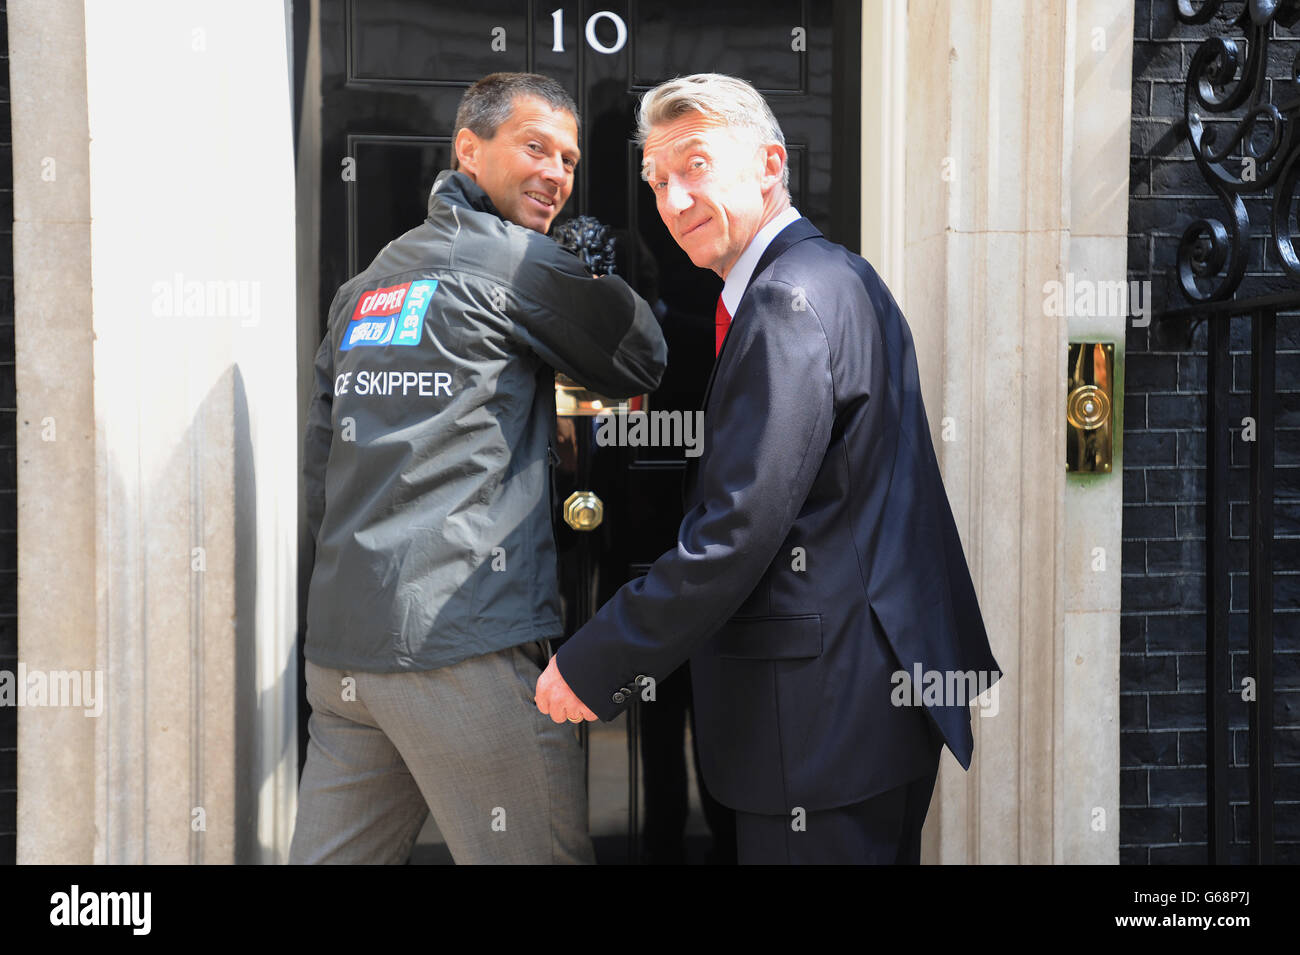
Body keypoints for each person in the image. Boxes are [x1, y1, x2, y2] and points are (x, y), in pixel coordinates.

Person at [535, 73, 1001, 864]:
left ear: (769, 165)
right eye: (657, 180)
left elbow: (737, 530)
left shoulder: (785, 302)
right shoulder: (838, 274)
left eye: (695, 165)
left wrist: (595, 658)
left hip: (820, 729)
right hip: (864, 709)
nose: (673, 198)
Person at [291, 72, 667, 865]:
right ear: (469, 148)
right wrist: (590, 275)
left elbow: (323, 474)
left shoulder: (366, 287)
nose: (557, 173)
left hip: (344, 662)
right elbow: (642, 357)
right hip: (460, 652)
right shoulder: (516, 264)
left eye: (567, 158)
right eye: (535, 147)